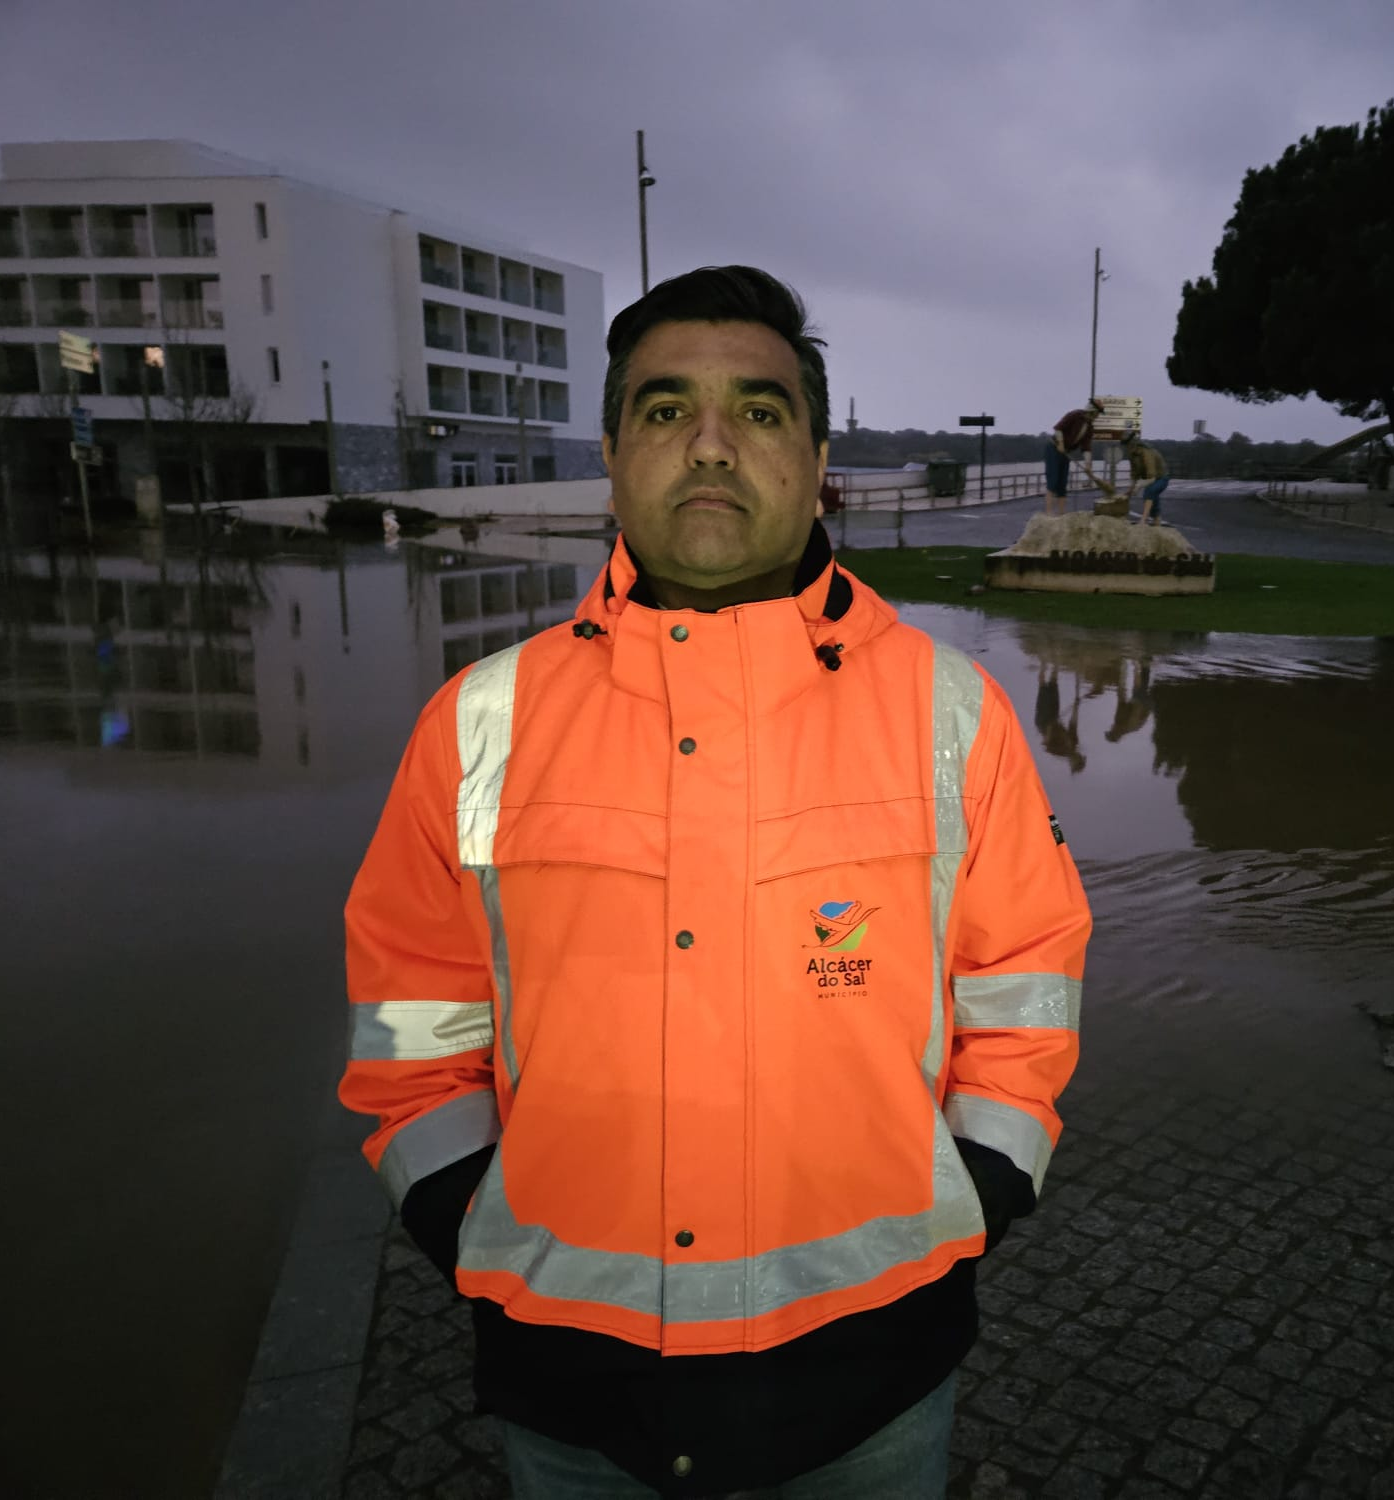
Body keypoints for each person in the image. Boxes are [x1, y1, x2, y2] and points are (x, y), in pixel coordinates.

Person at [341, 265, 1090, 1499]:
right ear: (611, 447)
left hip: (872, 1376)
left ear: (815, 453)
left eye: (757, 408)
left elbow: (1024, 980)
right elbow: (410, 1010)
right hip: (573, 1391)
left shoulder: (953, 713)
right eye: (663, 407)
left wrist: (987, 1180)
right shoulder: (479, 719)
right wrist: (463, 1208)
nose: (708, 443)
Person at [1043, 398, 1102, 516]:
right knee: (1053, 480)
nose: (1098, 416)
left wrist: (1088, 465)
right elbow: (1058, 428)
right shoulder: (1075, 415)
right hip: (1054, 448)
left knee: (1062, 483)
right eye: (1098, 412)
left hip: (1066, 452)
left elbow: (1086, 448)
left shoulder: (1089, 427)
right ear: (1092, 410)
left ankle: (1061, 513)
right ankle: (1049, 513)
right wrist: (1060, 443)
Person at [1125, 432, 1170, 526]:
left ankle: (1143, 520)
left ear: (1134, 444)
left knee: (1150, 491)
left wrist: (1138, 486)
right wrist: (1129, 490)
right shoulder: (1131, 455)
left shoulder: (1146, 452)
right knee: (1153, 496)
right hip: (1150, 478)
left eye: (1129, 445)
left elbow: (1152, 477)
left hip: (1161, 477)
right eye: (1126, 445)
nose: (1127, 448)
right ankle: (1156, 519)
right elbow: (1134, 475)